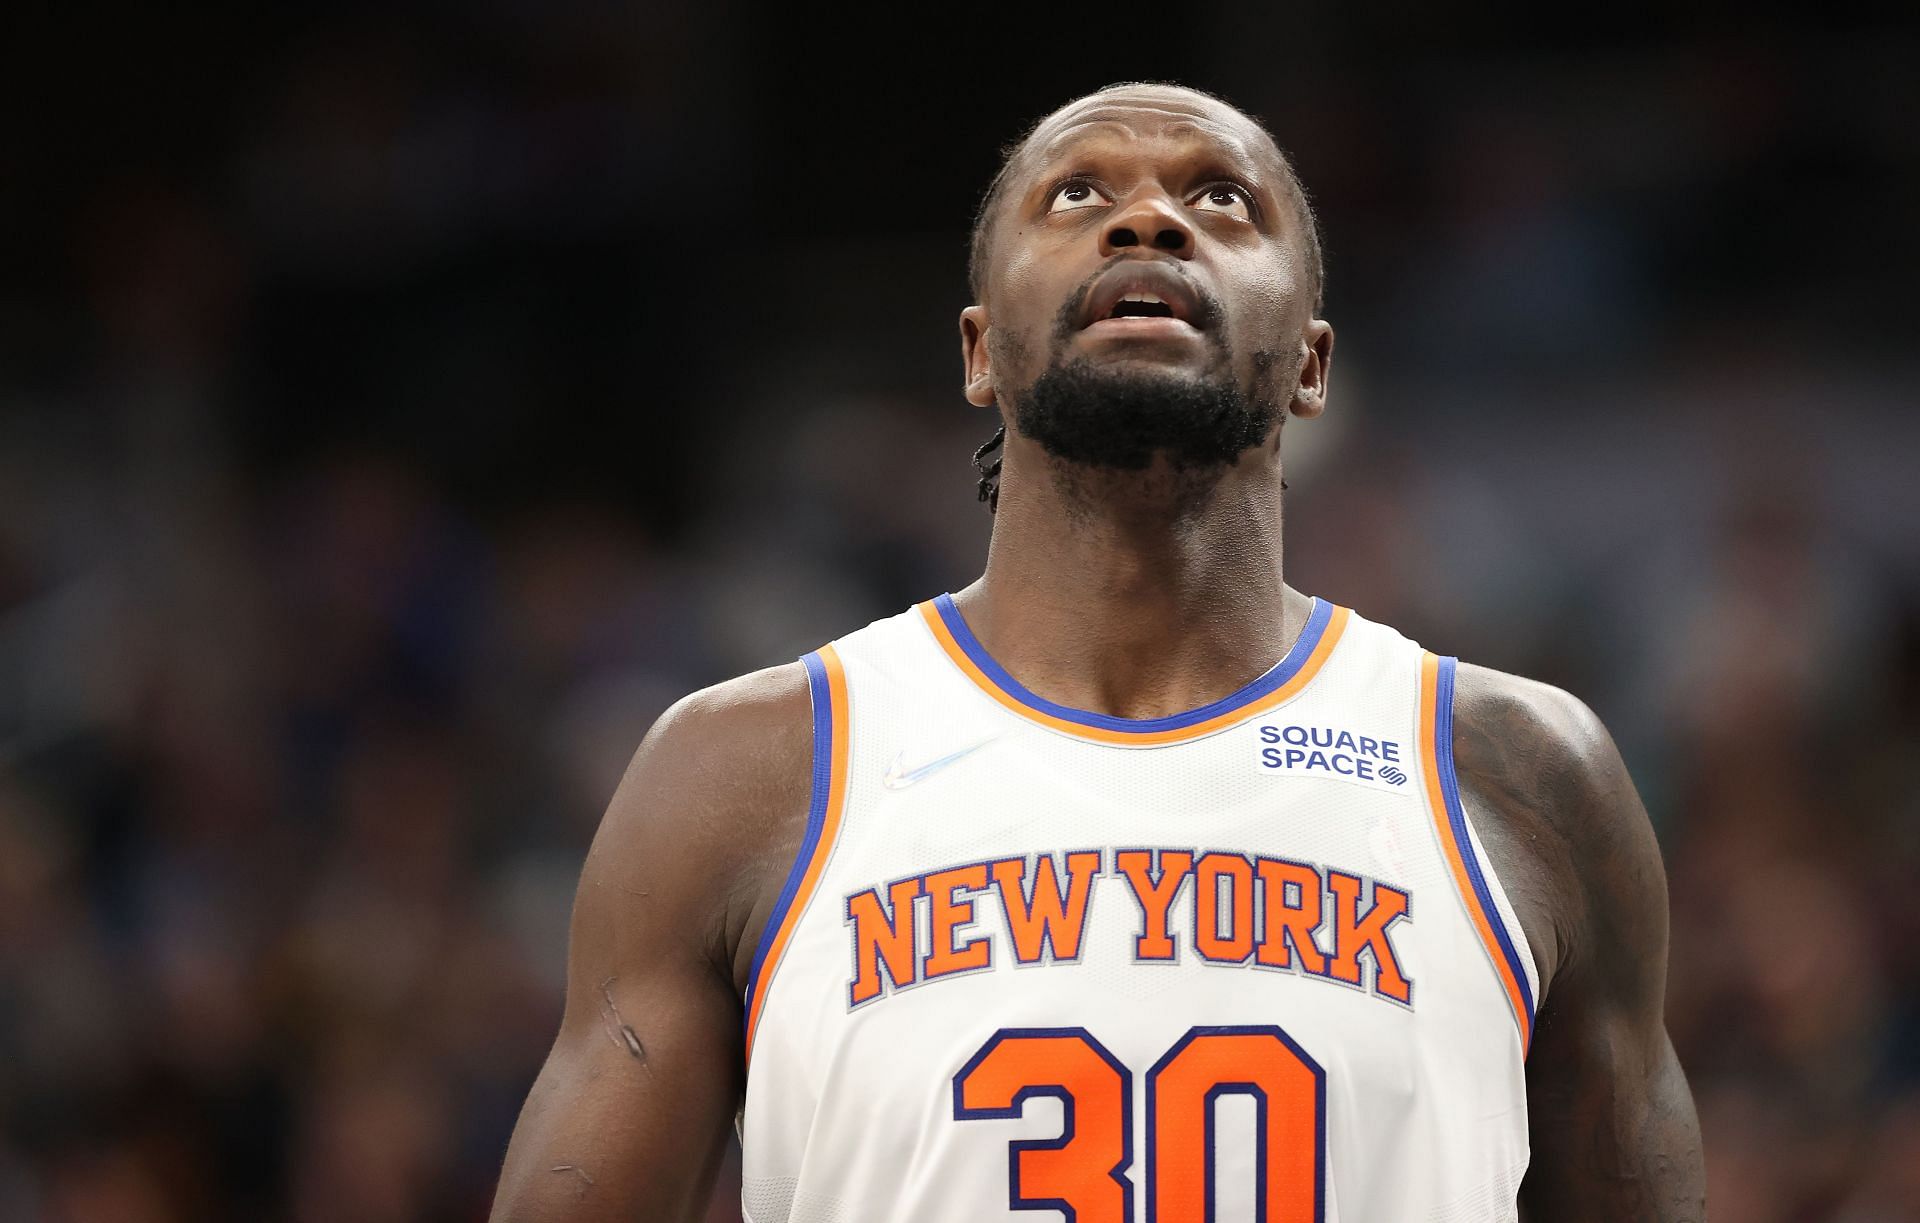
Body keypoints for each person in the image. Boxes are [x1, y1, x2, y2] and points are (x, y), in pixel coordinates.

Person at [488, 80, 1706, 1222]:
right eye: (1077, 195)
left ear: (1314, 366)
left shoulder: (1523, 774)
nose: (1150, 220)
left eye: (1222, 199)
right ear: (976, 351)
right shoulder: (743, 771)